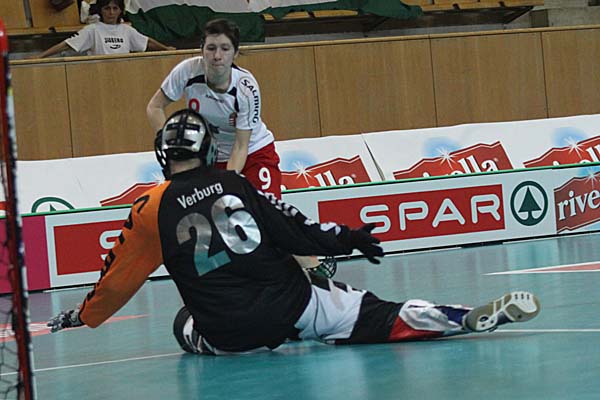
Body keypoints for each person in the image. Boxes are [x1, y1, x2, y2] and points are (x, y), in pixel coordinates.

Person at [47, 109, 541, 355]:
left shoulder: (149, 209)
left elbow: (116, 281)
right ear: (209, 149)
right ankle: (454, 317)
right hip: (291, 304)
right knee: (375, 314)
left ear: (163, 155)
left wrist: (83, 317)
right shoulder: (234, 182)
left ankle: (276, 330)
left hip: (229, 332)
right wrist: (347, 238)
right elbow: (293, 228)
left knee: (183, 324)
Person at [146, 18, 334, 277]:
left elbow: (241, 145)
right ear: (202, 49)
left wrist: (228, 183)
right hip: (211, 156)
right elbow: (154, 107)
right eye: (211, 48)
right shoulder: (187, 72)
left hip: (254, 152)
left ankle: (313, 265)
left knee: (266, 213)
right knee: (217, 219)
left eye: (225, 49)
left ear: (235, 53)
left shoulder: (246, 88)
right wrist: (171, 142)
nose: (217, 56)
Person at [36, 0, 174, 58]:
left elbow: (147, 42)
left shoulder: (127, 30)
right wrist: (40, 56)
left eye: (115, 8)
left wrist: (166, 49)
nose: (111, 13)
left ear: (120, 11)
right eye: (107, 8)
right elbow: (66, 45)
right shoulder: (92, 30)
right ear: (101, 10)